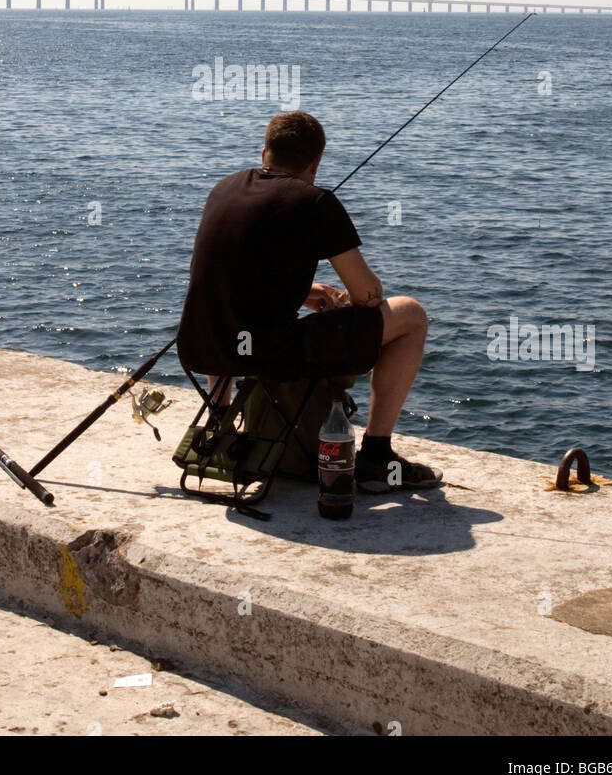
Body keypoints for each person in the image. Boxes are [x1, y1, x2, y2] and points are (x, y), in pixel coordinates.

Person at [176, 109, 442, 491]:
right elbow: (367, 295)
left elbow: (235, 273)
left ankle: (221, 420)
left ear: (264, 151)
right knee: (411, 316)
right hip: (270, 355)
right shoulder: (317, 202)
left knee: (224, 313)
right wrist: (358, 293)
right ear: (315, 164)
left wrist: (306, 292)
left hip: (199, 346)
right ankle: (377, 456)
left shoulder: (225, 187)